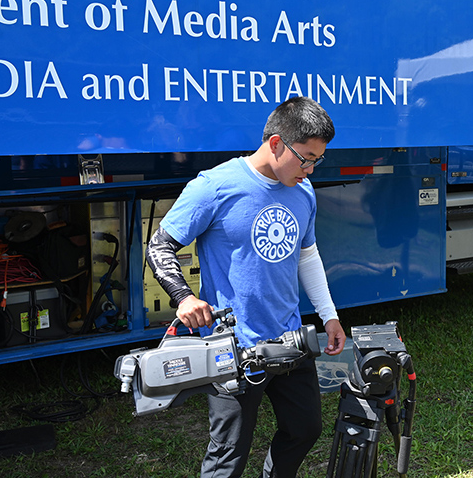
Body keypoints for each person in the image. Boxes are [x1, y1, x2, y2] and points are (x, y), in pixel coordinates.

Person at [146, 96, 346, 478]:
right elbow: (160, 246)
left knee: (305, 430)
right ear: (275, 143)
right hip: (234, 350)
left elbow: (307, 256)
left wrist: (330, 316)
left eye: (317, 159)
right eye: (305, 157)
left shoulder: (303, 192)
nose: (311, 169)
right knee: (228, 456)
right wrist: (184, 297)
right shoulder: (215, 186)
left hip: (290, 342)